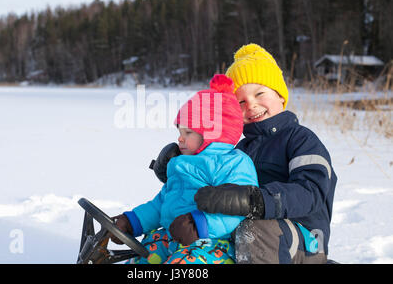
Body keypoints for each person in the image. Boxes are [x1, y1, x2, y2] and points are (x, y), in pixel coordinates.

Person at [154, 44, 337, 264]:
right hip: (250, 239)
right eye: (241, 101)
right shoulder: (240, 150)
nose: (250, 105)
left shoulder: (301, 140)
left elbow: (311, 192)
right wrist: (176, 167)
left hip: (305, 242)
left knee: (252, 228)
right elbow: (208, 180)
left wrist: (254, 200)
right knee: (210, 229)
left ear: (280, 95)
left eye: (259, 93)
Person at [111, 74, 259, 264]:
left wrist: (199, 225)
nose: (180, 139)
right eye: (179, 132)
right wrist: (133, 221)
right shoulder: (180, 163)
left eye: (188, 132)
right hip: (171, 236)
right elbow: (161, 204)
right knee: (142, 255)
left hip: (213, 244)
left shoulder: (233, 163)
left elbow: (238, 210)